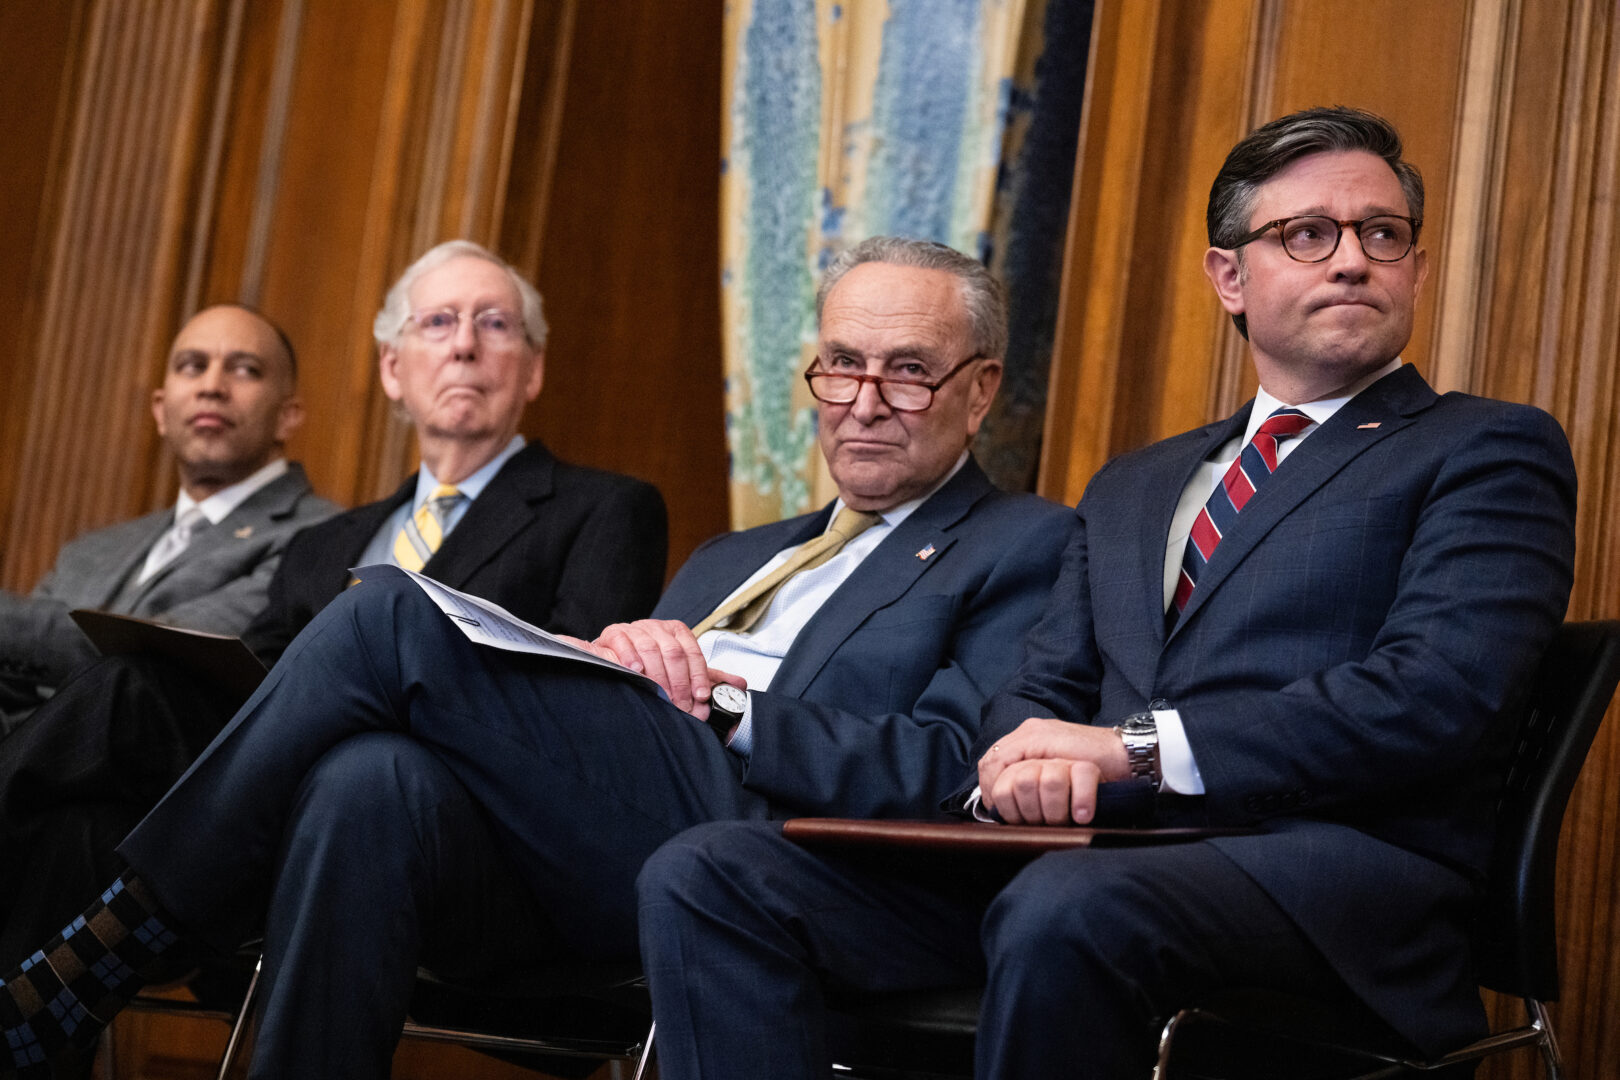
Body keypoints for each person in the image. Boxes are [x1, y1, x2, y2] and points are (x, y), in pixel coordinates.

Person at [632, 107, 1580, 1079]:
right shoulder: (1135, 484)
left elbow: (1433, 695)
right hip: (1096, 861)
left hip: (1329, 876)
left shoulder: (1487, 448)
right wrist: (1022, 758)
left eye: (1383, 235)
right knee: (711, 873)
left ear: (1415, 269)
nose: (1351, 260)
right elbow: (1044, 683)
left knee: (1067, 912)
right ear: (1230, 278)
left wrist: (1130, 751)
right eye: (1307, 234)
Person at [0, 236, 1075, 1079]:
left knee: (386, 615)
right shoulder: (736, 553)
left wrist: (723, 695)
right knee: (370, 780)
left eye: (909, 373)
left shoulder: (1028, 542)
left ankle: (119, 938)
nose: (864, 400)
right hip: (603, 843)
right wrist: (595, 664)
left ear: (980, 391)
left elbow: (947, 764)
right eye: (842, 365)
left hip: (770, 844)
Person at [0, 240, 668, 1004]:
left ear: (534, 368)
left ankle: (123, 930)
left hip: (430, 819)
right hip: (269, 811)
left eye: (495, 324)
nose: (463, 344)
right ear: (392, 368)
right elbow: (256, 690)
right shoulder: (325, 545)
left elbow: (570, 711)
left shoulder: (606, 509)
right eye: (439, 322)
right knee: (111, 741)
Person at [0, 305, 336, 735]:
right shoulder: (89, 552)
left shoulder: (318, 538)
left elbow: (160, 657)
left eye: (245, 370)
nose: (212, 387)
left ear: (288, 415)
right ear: (160, 410)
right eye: (192, 366)